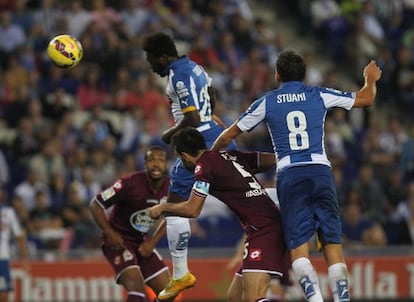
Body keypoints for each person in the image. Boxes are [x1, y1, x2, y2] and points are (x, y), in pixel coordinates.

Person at [211, 50, 382, 302]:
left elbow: (227, 137)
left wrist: (210, 155)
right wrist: (370, 79)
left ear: (277, 74)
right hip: (321, 172)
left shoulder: (267, 101)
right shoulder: (318, 93)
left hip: (291, 176)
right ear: (303, 75)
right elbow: (366, 98)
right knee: (333, 247)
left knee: (299, 250)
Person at [142, 32, 237, 300]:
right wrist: (211, 115)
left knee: (175, 205)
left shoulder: (177, 74)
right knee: (244, 188)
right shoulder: (195, 66)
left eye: (151, 59)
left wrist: (170, 134)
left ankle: (181, 273)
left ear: (162, 56)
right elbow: (211, 92)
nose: (150, 65)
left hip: (198, 141)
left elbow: (193, 118)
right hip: (215, 132)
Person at [148, 127, 289, 302]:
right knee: (235, 297)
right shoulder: (229, 155)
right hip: (260, 228)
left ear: (184, 156)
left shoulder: (203, 166)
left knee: (253, 297)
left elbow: (193, 209)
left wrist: (162, 208)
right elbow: (266, 160)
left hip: (265, 230)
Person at [89, 146, 176, 302]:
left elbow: (174, 217)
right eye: (151, 160)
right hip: (119, 242)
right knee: (137, 290)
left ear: (166, 165)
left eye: (161, 160)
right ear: (145, 164)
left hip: (141, 243)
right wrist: (109, 233)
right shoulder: (128, 184)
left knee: (169, 293)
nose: (156, 164)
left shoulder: (171, 188)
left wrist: (152, 242)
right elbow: (95, 204)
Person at [0, 187, 30, 302]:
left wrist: (24, 259)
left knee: (4, 293)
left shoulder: (8, 212)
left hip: (2, 258)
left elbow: (19, 235)